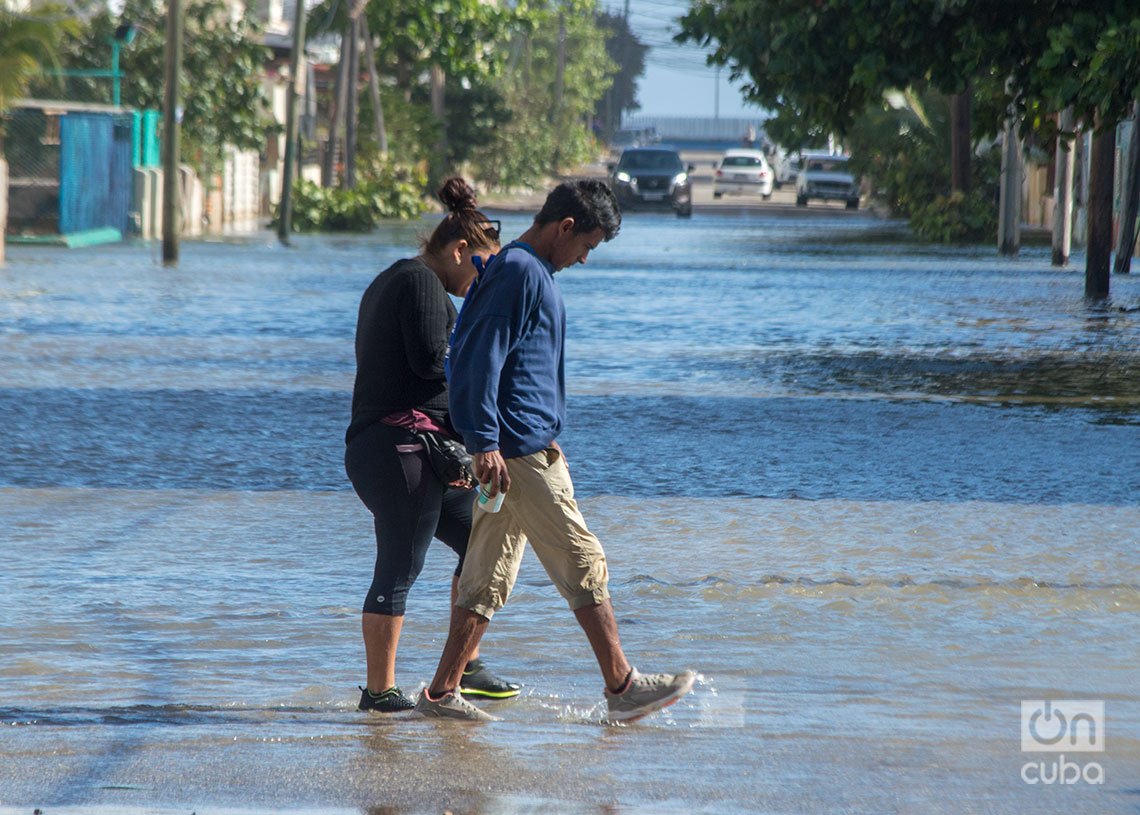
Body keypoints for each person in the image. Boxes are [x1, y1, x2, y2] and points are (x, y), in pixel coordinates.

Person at [414, 179, 696, 722]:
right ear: (565, 227)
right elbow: (475, 360)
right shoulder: (520, 271)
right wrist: (486, 441)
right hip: (514, 455)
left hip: (520, 445)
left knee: (484, 579)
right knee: (582, 560)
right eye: (586, 246)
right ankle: (623, 687)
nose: (584, 260)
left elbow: (513, 366)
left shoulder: (523, 270)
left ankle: (440, 693)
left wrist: (530, 430)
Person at [345, 177, 520, 712]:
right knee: (399, 564)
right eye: (483, 267)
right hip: (400, 448)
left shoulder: (401, 279)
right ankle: (380, 693)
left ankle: (463, 667)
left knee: (481, 545)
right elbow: (430, 362)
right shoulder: (420, 281)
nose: (484, 281)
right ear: (459, 250)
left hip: (416, 448)